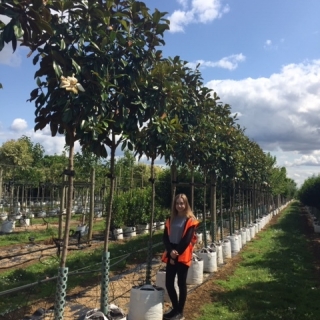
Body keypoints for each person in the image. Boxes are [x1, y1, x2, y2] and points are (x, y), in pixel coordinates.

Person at [162, 193, 199, 320]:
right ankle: (175, 307)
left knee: (181, 283)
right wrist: (170, 251)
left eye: (182, 203)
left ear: (186, 204)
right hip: (171, 251)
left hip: (182, 254)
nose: (180, 205)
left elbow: (186, 240)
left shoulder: (190, 220)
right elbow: (165, 237)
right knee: (168, 283)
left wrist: (175, 254)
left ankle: (180, 311)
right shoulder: (170, 218)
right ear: (174, 205)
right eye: (177, 203)